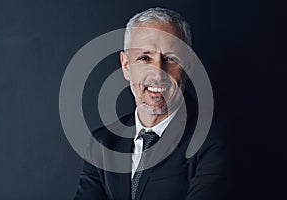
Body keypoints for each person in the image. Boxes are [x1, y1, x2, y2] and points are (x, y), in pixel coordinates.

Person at [74, 7, 229, 200]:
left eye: (170, 59)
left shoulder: (214, 138)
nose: (158, 73)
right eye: (144, 58)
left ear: (188, 66)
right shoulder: (103, 143)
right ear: (126, 66)